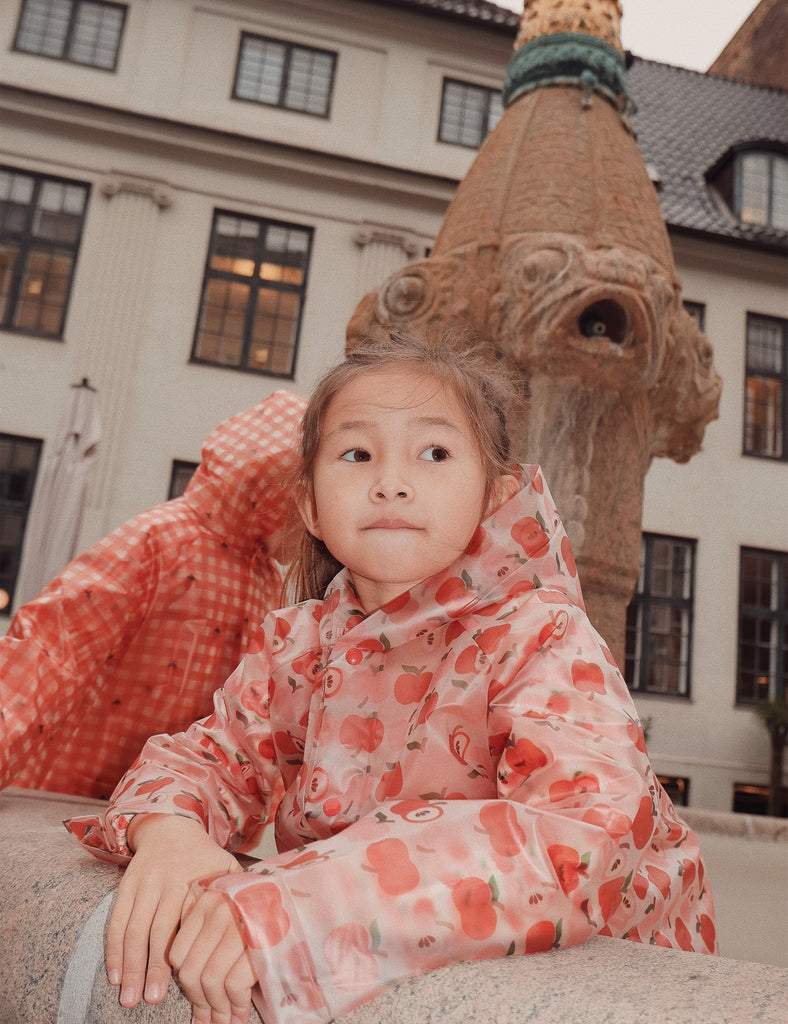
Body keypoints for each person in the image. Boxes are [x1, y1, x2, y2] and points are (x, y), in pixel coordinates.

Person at [66, 331, 717, 1024]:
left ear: (494, 496)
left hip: (613, 976)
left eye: (434, 453)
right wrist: (168, 829)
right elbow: (213, 755)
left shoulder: (541, 637)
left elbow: (582, 836)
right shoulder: (300, 647)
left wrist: (302, 902)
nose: (392, 481)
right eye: (356, 453)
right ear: (312, 506)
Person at [1, 390, 306, 801]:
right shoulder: (160, 539)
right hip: (75, 787)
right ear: (275, 492)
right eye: (308, 508)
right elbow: (55, 645)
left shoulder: (265, 575)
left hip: (171, 804)